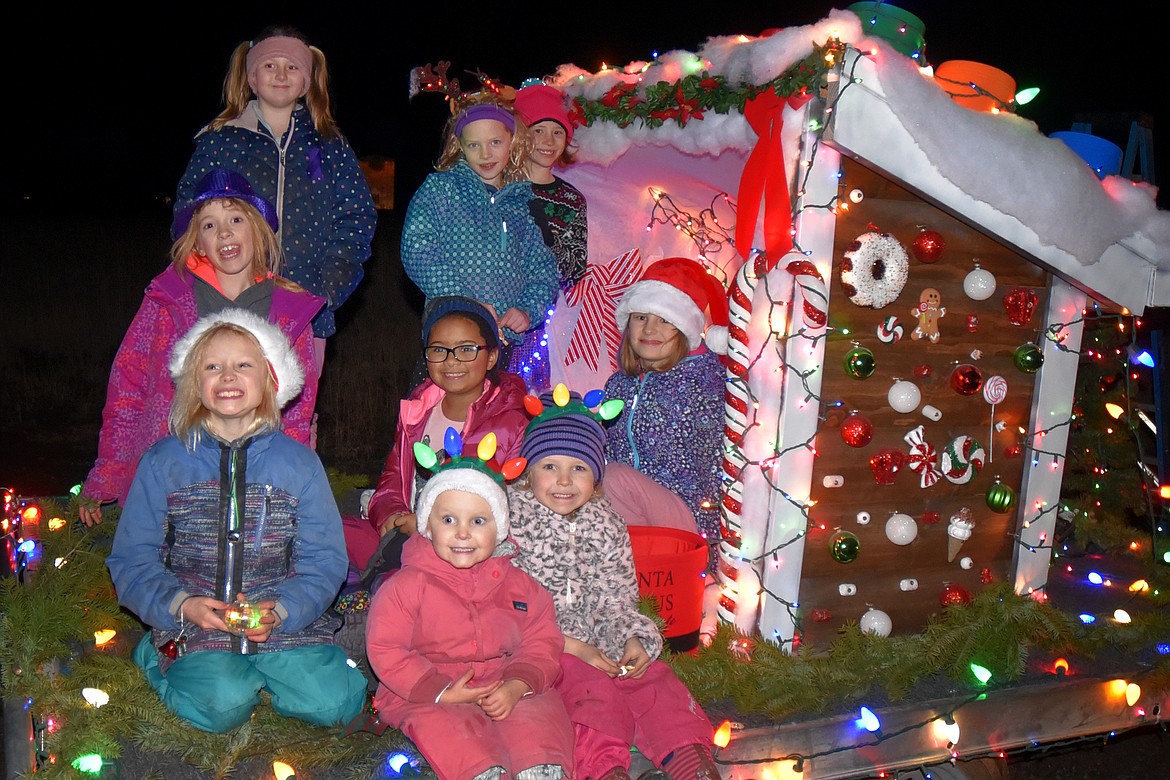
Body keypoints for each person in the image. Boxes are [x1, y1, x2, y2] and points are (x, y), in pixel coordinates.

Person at [106, 310, 367, 734]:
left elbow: (324, 560)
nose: (228, 376)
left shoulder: (299, 464)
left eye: (243, 365)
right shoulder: (163, 463)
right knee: (220, 707)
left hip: (282, 621)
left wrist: (284, 609)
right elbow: (132, 558)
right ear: (194, 383)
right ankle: (160, 657)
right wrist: (180, 604)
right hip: (196, 620)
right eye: (213, 366)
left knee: (338, 704)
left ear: (269, 379)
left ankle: (272, 670)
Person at [80, 170, 322, 525]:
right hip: (169, 482)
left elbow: (297, 413)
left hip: (252, 485)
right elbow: (127, 389)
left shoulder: (291, 312)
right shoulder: (167, 301)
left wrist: (287, 489)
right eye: (208, 225)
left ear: (256, 230)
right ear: (197, 243)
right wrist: (108, 472)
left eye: (235, 219)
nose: (224, 232)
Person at [509, 387, 720, 780]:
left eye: (579, 468)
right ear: (528, 471)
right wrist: (573, 648)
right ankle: (604, 770)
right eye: (550, 466)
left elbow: (617, 598)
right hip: (538, 651)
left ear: (596, 475)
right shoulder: (509, 524)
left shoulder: (607, 523)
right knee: (590, 694)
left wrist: (631, 639)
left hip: (597, 642)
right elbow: (503, 611)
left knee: (653, 678)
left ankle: (689, 759)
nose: (564, 480)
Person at [364, 438, 574, 779]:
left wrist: (518, 683)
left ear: (500, 529)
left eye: (478, 522)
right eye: (448, 519)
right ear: (428, 526)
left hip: (501, 680)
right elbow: (386, 648)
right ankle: (483, 771)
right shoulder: (407, 586)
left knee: (537, 715)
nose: (462, 533)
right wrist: (441, 691)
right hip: (425, 688)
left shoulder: (521, 587)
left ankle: (541, 768)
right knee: (453, 731)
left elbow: (541, 641)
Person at [174, 25, 376, 366]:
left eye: (292, 66)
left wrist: (327, 287)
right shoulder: (220, 140)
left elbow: (357, 216)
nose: (281, 75)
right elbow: (188, 215)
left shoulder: (328, 145)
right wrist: (210, 281)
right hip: (230, 304)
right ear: (252, 77)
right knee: (231, 404)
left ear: (307, 80)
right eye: (270, 66)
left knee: (296, 409)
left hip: (303, 306)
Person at [345, 295, 530, 573]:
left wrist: (425, 524)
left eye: (466, 349)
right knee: (330, 531)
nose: (452, 361)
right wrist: (393, 515)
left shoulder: (511, 420)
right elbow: (393, 478)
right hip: (407, 529)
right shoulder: (419, 410)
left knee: (407, 569)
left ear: (491, 357)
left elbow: (513, 505)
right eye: (439, 350)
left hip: (469, 545)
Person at [400, 93, 558, 371]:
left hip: (506, 344)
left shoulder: (522, 204)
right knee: (442, 411)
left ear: (513, 141)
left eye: (495, 142)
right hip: (451, 332)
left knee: (500, 413)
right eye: (474, 145)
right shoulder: (441, 189)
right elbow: (417, 249)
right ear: (459, 146)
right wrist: (465, 301)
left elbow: (543, 270)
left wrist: (526, 310)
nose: (485, 154)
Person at [604, 257, 729, 566]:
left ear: (685, 327)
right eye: (641, 317)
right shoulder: (618, 384)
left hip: (690, 520)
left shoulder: (703, 382)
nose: (650, 329)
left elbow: (716, 464)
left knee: (615, 478)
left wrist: (717, 541)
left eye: (665, 319)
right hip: (634, 518)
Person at [507, 82, 588, 389]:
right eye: (538, 130)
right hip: (488, 310)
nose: (548, 141)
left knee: (525, 395)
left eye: (557, 132)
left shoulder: (571, 200)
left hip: (536, 320)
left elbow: (573, 268)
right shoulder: (498, 187)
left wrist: (543, 238)